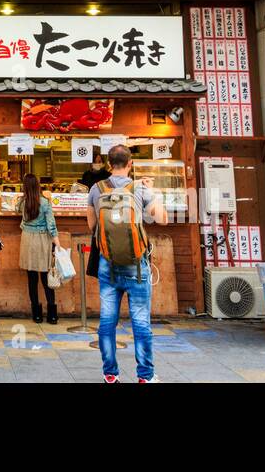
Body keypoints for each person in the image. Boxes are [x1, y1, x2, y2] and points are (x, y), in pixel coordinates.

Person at [86, 144, 167, 384]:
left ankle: (110, 374)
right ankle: (146, 376)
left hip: (107, 263)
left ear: (109, 165)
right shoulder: (140, 188)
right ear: (130, 164)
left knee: (107, 322)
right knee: (141, 322)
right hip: (137, 267)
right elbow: (162, 219)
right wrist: (154, 192)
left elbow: (92, 227)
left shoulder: (96, 189)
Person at [18, 172, 61, 324]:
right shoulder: (45, 202)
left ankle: (36, 314)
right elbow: (51, 225)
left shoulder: (23, 202)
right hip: (43, 239)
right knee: (46, 277)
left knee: (31, 277)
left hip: (27, 239)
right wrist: (57, 242)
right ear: (38, 185)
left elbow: (17, 211)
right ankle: (52, 314)